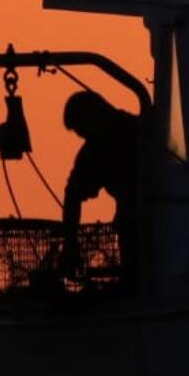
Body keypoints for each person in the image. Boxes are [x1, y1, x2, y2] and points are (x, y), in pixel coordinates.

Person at [59, 90, 144, 283]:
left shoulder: (100, 148)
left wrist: (70, 244)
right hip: (132, 224)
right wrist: (71, 242)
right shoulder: (134, 126)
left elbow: (73, 195)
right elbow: (73, 194)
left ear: (92, 116)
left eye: (81, 129)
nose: (82, 136)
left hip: (143, 223)